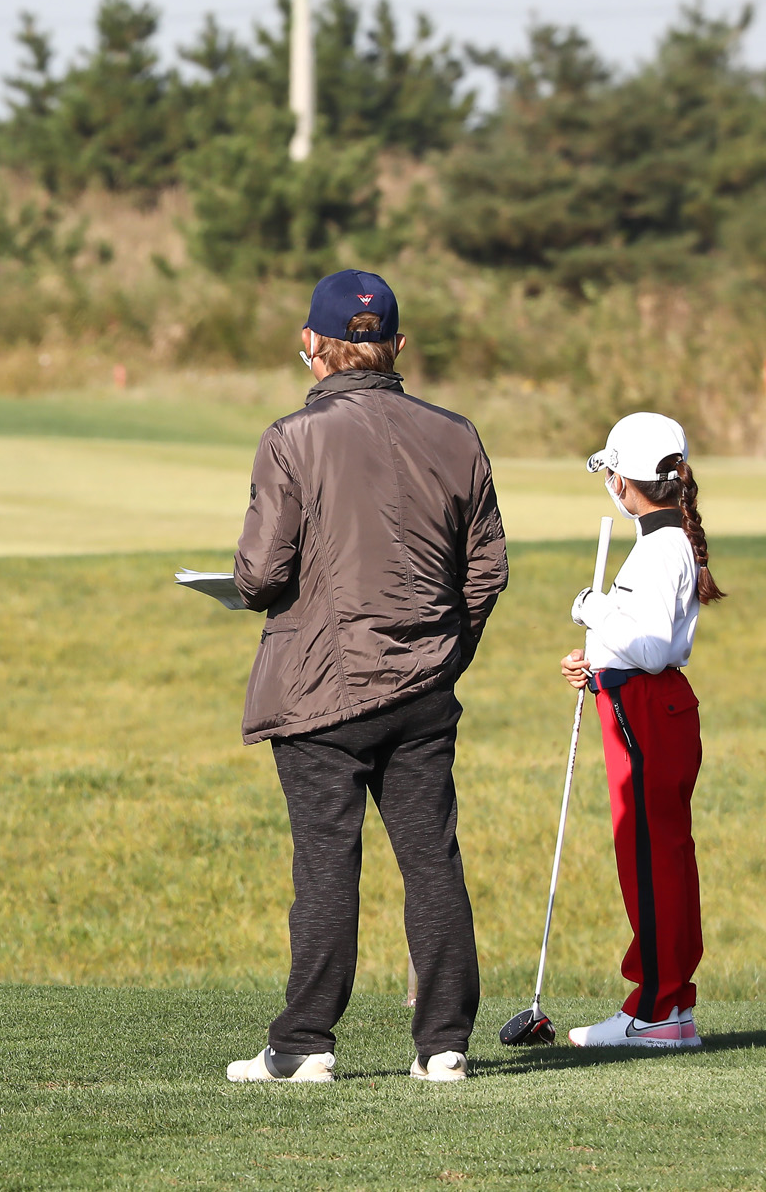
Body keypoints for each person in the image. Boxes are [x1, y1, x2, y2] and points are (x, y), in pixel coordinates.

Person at [222, 269, 508, 1084]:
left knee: (324, 865)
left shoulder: (290, 437)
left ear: (313, 346)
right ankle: (444, 1045)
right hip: (424, 690)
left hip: (320, 691)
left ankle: (305, 1044)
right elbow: (485, 572)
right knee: (431, 860)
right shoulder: (458, 432)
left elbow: (259, 575)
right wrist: (445, 651)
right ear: (395, 345)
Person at [558, 413, 718, 1049]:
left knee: (650, 860)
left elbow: (650, 647)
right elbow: (638, 638)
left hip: (648, 709)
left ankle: (653, 1008)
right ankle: (670, 1004)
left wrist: (588, 608)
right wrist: (595, 661)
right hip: (645, 703)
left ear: (623, 480)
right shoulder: (666, 540)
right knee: (664, 856)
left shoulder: (660, 547)